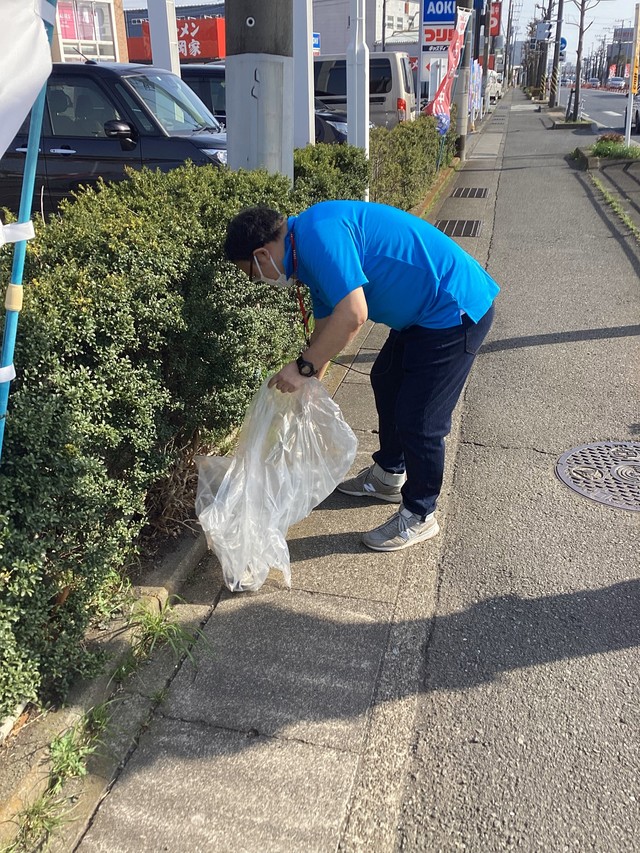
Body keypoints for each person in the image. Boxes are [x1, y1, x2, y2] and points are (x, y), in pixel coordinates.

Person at [224, 200, 499, 552]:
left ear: (262, 255)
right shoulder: (305, 251)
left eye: (252, 273)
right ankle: (389, 475)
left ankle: (420, 513)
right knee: (385, 378)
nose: (259, 281)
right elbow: (326, 330)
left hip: (454, 309)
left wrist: (302, 368)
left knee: (420, 419)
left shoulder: (317, 236)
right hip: (422, 316)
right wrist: (306, 391)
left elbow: (354, 314)